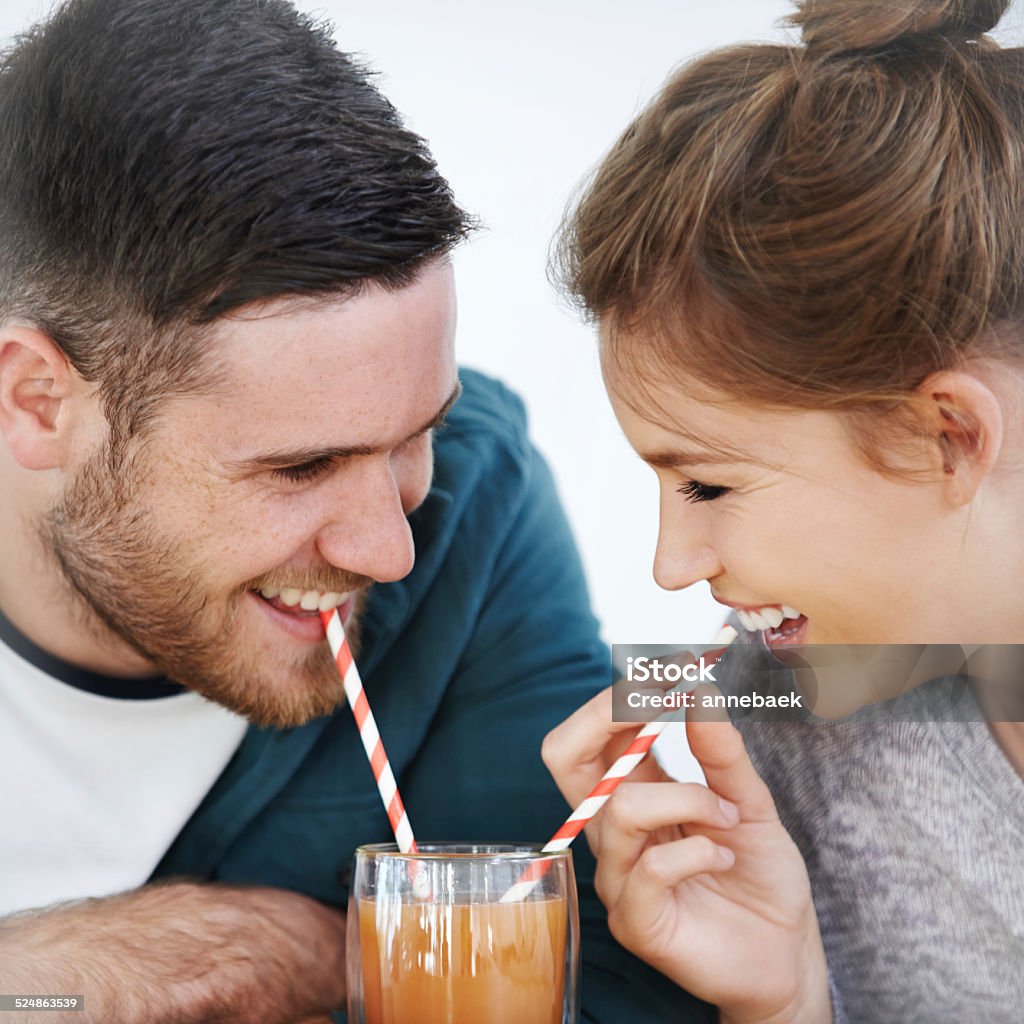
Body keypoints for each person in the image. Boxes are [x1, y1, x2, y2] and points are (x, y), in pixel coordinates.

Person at [0, 1, 715, 1022]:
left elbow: (604, 985)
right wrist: (115, 964)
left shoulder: (475, 504)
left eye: (414, 432)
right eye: (300, 467)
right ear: (37, 401)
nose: (390, 549)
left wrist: (300, 958)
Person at [542, 0, 1024, 1022]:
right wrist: (782, 1000)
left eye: (708, 484)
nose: (672, 565)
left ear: (949, 436)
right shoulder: (786, 721)